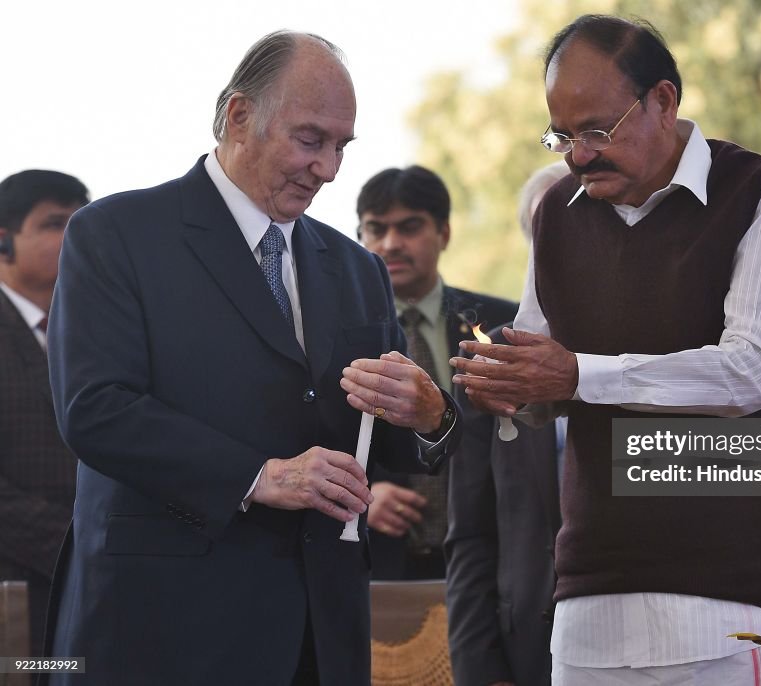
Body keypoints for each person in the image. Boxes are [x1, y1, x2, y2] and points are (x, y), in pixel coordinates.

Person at [44, 31, 460, 686]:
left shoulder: (358, 270)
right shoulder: (116, 235)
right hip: (165, 629)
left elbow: (384, 438)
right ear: (240, 116)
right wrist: (257, 475)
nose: (328, 168)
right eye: (310, 139)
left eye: (341, 146)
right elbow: (94, 409)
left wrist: (429, 416)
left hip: (320, 636)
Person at [452, 14, 761, 685]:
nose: (577, 155)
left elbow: (749, 375)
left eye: (597, 130)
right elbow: (550, 385)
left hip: (739, 599)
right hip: (590, 601)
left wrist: (576, 373)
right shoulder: (557, 210)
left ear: (664, 101)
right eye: (563, 136)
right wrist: (508, 389)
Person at [356, 165, 517, 580]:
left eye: (409, 227)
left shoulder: (501, 322)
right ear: (360, 238)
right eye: (376, 229)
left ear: (444, 233)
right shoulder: (334, 331)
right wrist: (363, 494)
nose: (391, 244)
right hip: (376, 564)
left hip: (492, 557)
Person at [445, 162, 568, 686]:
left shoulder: (665, 352)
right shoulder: (490, 361)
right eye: (553, 227)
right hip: (525, 651)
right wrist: (482, 670)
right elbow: (470, 535)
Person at [0, 169, 88, 656]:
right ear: (4, 241)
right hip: (14, 585)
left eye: (80, 221)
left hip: (94, 590)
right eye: (55, 223)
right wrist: (80, 542)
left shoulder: (97, 331)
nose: (74, 235)